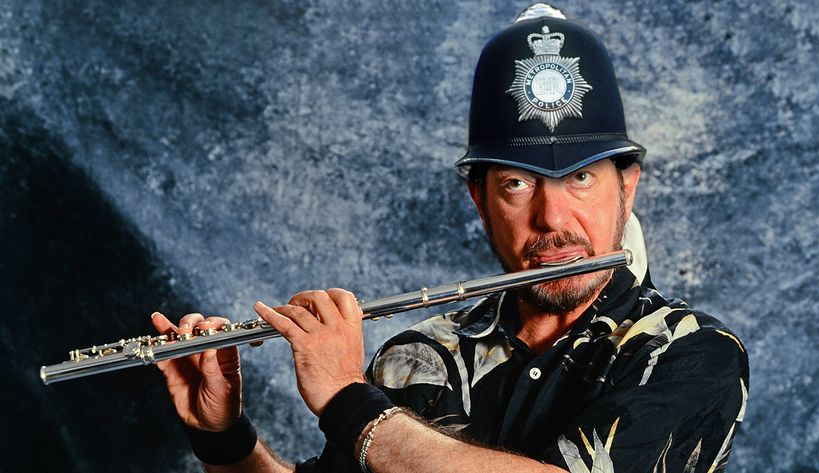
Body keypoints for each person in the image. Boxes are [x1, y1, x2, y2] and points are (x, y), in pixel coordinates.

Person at [151, 4, 749, 472]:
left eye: (581, 178)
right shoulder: (422, 357)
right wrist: (223, 438)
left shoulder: (691, 355)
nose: (552, 217)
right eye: (518, 183)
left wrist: (345, 399)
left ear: (628, 187)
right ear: (480, 198)